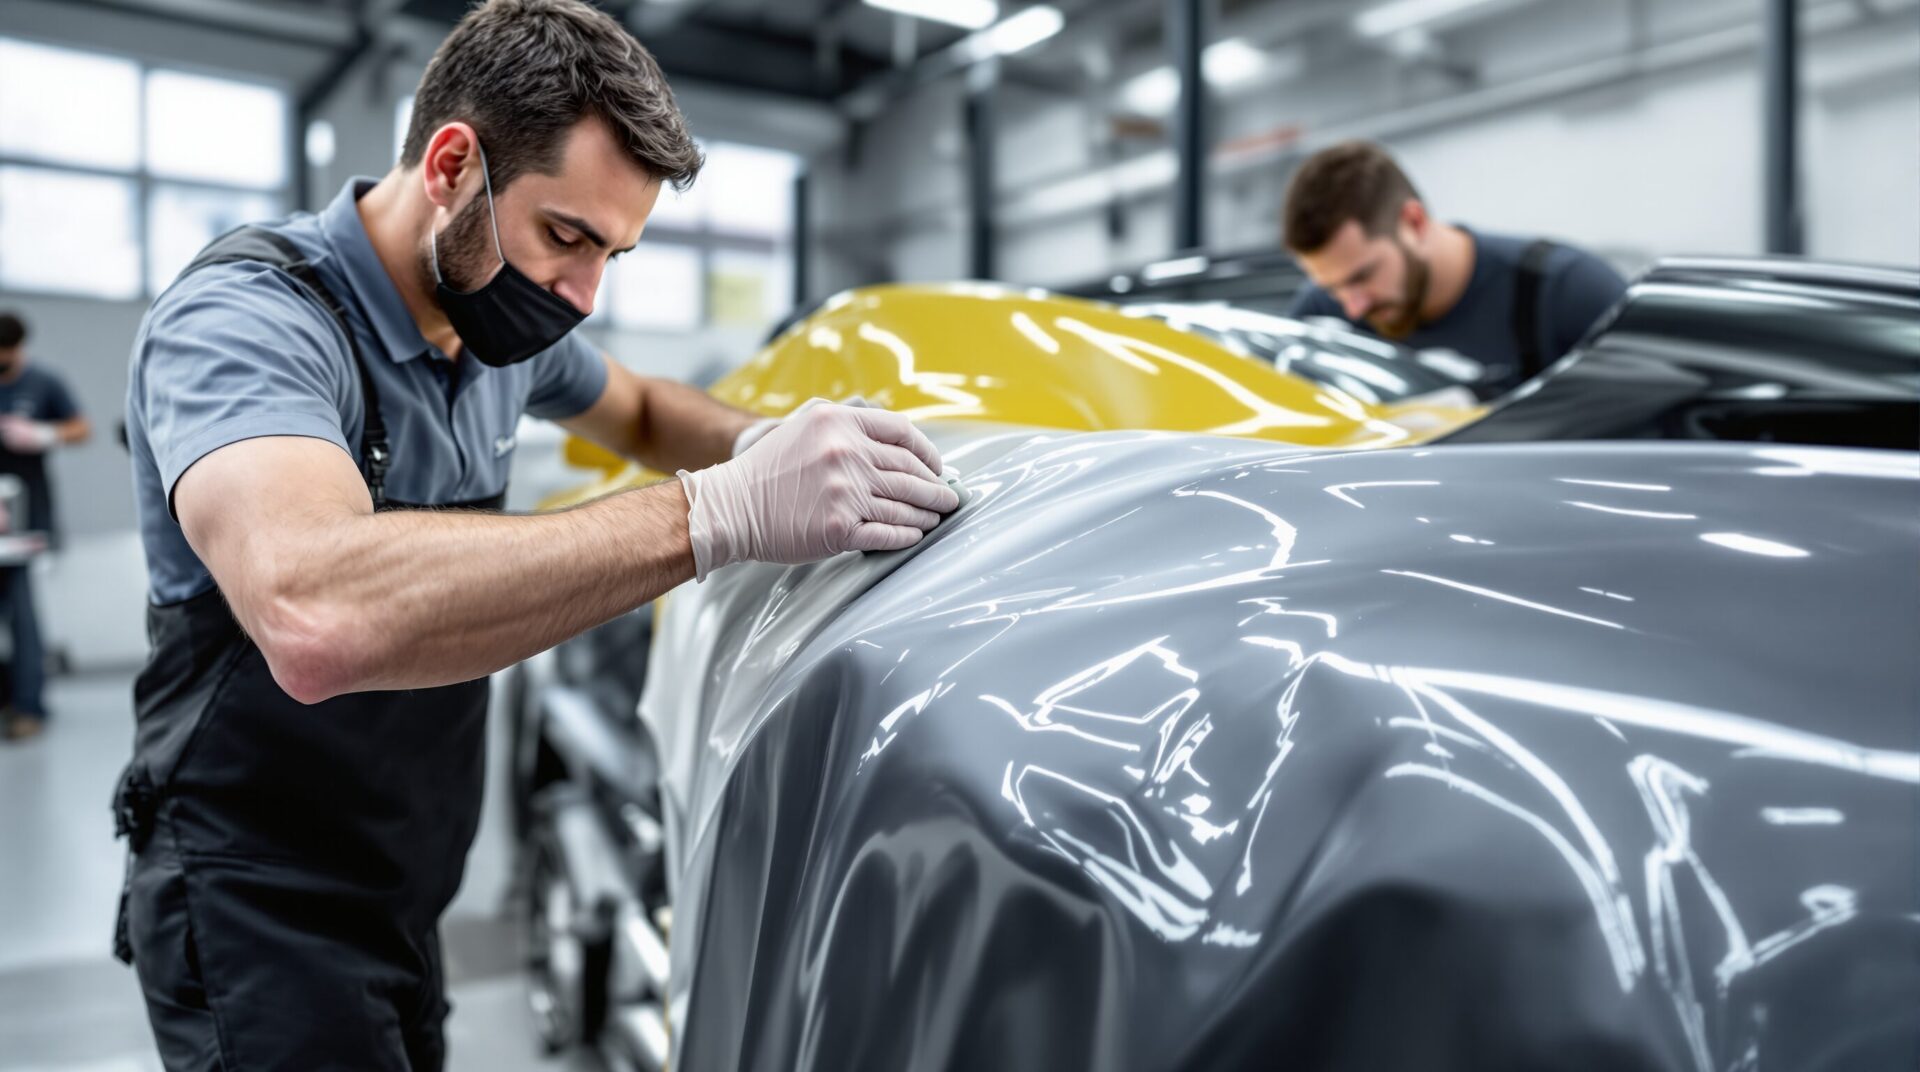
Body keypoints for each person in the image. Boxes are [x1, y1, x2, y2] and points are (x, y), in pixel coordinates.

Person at [113, 2, 958, 1068]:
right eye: (567, 235)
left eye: (615, 252)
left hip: (399, 890)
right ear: (454, 164)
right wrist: (718, 512)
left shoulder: (493, 328)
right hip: (257, 903)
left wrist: (787, 448)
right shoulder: (251, 323)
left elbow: (645, 411)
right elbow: (313, 608)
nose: (582, 293)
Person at [1281, 140, 1628, 397]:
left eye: (1362, 276)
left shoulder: (1567, 292)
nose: (1352, 305)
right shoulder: (1321, 315)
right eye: (1331, 287)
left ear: (1414, 223)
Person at [0, 311, 90, 742]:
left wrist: (44, 435)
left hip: (27, 521)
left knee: (22, 613)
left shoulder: (43, 383)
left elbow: (81, 428)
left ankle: (28, 706)